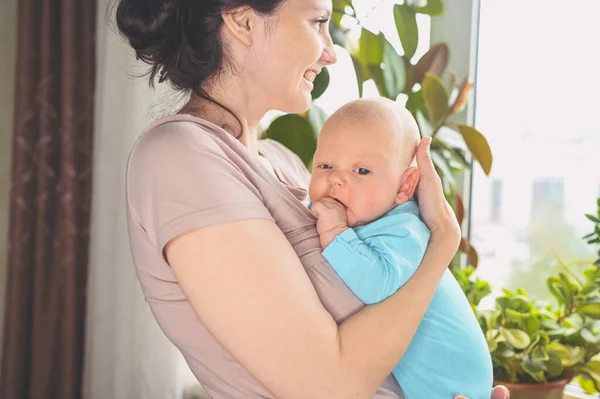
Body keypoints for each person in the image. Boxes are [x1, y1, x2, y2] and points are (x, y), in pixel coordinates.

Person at [116, 0, 509, 397]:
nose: (331, 52)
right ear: (243, 21)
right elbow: (328, 386)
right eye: (318, 21)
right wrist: (442, 244)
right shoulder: (182, 159)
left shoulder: (283, 162)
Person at [309, 97, 493, 399]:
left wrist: (334, 231)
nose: (335, 179)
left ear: (405, 186)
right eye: (325, 165)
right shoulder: (362, 213)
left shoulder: (405, 229)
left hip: (451, 384)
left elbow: (374, 285)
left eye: (362, 171)